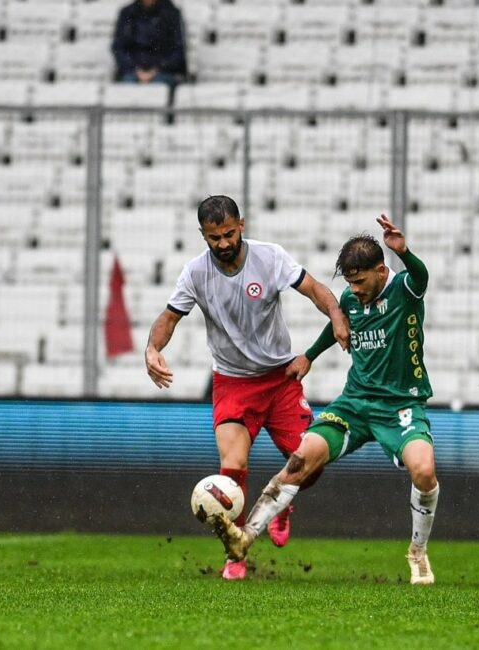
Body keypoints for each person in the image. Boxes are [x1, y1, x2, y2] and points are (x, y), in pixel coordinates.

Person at [208, 215, 441, 586]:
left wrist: (406, 252)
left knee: (425, 472)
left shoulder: (403, 290)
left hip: (401, 406)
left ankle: (417, 552)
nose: (355, 290)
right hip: (354, 403)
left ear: (381, 271)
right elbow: (338, 324)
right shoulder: (351, 297)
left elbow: (422, 277)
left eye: (361, 281)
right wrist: (309, 356)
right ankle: (244, 539)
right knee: (299, 460)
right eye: (350, 283)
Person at [144, 195, 349, 581]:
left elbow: (316, 289)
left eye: (228, 234)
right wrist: (153, 348)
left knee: (310, 463)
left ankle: (280, 502)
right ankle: (235, 555)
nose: (222, 244)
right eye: (213, 237)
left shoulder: (269, 258)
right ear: (203, 235)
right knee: (232, 467)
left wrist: (337, 314)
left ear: (242, 225)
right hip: (233, 383)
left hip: (281, 379)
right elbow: (169, 318)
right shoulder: (195, 273)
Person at [111, 0, 187, 86]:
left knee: (160, 86)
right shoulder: (127, 13)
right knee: (129, 83)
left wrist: (156, 70)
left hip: (164, 72)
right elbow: (119, 47)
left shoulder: (172, 13)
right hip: (132, 72)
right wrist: (136, 70)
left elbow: (178, 50)